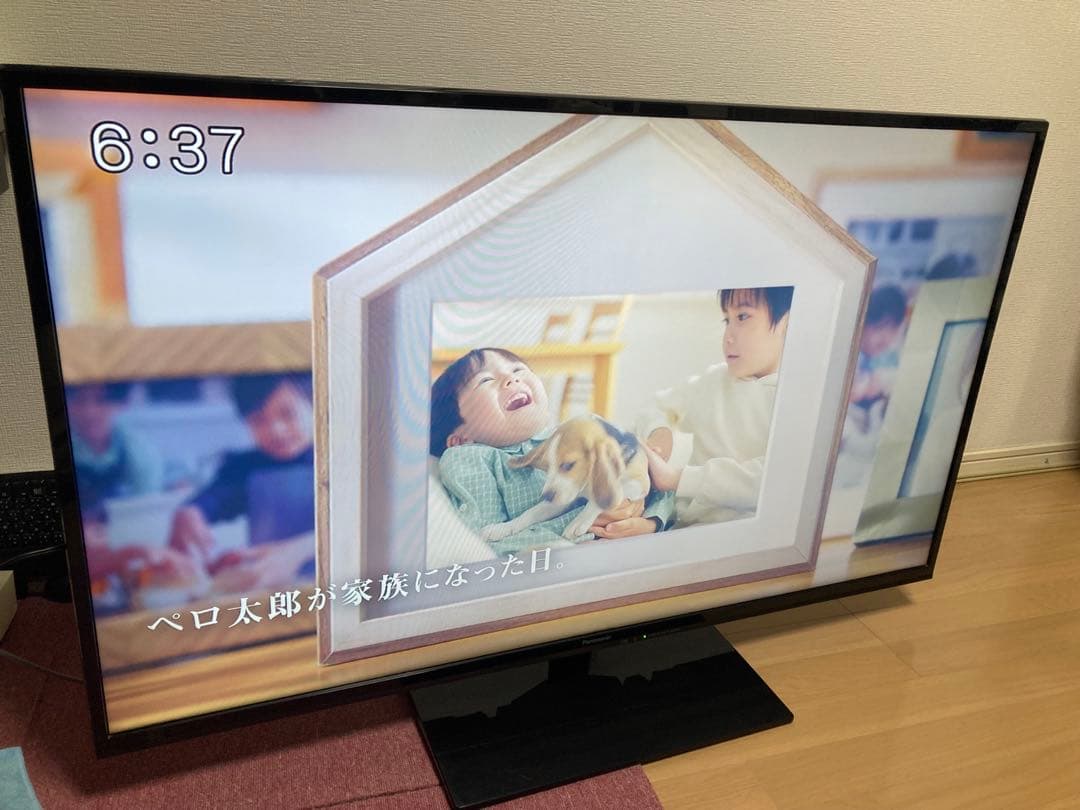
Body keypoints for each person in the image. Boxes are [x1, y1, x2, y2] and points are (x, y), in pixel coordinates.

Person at [430, 348, 673, 554]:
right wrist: (582, 524)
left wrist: (651, 522)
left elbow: (657, 486)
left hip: (626, 546)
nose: (512, 379)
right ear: (460, 438)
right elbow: (486, 539)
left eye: (518, 370)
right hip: (563, 558)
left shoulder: (579, 431)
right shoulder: (470, 457)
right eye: (485, 380)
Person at [640, 286, 792, 527]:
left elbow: (776, 477)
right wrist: (660, 430)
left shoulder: (796, 396)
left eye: (743, 317)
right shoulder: (713, 381)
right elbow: (655, 406)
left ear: (787, 323)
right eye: (727, 320)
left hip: (752, 532)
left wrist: (678, 479)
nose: (728, 337)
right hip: (685, 524)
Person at [168, 372, 315, 592]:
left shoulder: (342, 458)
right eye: (258, 420)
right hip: (271, 591)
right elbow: (214, 498)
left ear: (316, 405)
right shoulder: (244, 468)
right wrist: (189, 512)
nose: (276, 430)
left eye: (288, 414)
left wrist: (296, 552)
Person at [68, 382, 164, 498]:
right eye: (79, 400)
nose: (89, 412)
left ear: (120, 404)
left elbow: (148, 502)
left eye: (101, 400)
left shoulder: (140, 452)